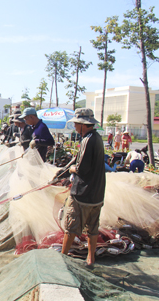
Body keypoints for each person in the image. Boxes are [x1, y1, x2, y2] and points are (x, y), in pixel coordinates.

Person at [56, 108, 106, 266]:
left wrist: (70, 170)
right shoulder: (97, 138)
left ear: (83, 125)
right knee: (92, 228)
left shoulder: (87, 140)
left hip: (82, 194)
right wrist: (63, 172)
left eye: (76, 124)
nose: (75, 128)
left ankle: (62, 258)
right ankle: (91, 259)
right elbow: (80, 160)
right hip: (97, 194)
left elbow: (81, 168)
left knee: (71, 227)